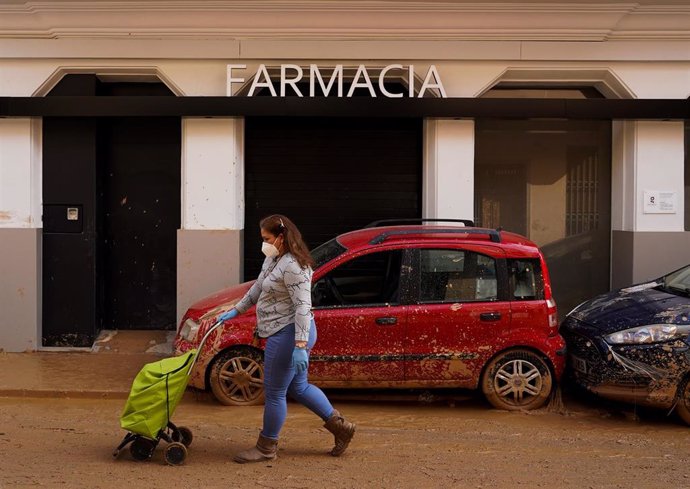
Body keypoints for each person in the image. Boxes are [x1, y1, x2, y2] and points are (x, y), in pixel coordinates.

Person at [217, 214, 356, 463]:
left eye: (266, 238)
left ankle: (266, 447)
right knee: (299, 387)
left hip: (289, 334)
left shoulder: (294, 266)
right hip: (287, 332)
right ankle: (341, 428)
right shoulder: (274, 259)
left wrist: (300, 345)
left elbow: (303, 306)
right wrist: (236, 310)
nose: (263, 244)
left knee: (274, 392)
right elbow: (257, 288)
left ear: (281, 237)